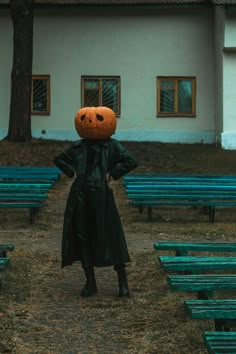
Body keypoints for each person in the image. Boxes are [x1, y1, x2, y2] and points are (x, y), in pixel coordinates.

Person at [54, 106, 137, 298]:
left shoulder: (112, 146)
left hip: (102, 196)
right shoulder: (77, 147)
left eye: (98, 118)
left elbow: (130, 161)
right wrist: (71, 172)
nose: (90, 121)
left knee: (111, 235)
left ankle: (122, 283)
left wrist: (112, 173)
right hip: (80, 195)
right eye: (85, 118)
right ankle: (90, 282)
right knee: (83, 235)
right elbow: (59, 159)